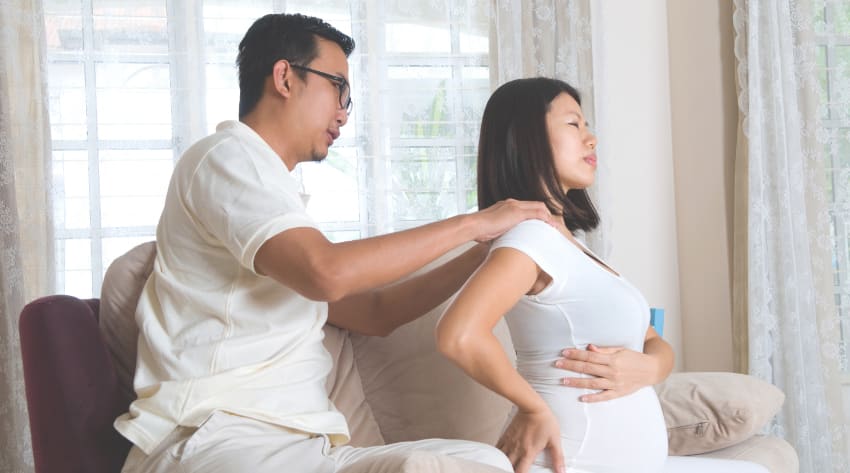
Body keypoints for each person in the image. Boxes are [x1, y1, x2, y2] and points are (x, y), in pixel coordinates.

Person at [115, 13, 550, 473]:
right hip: (214, 439)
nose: (344, 111)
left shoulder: (277, 206)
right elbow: (327, 272)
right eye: (337, 87)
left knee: (481, 461)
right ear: (285, 77)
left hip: (306, 450)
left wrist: (482, 253)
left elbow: (377, 312)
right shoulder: (225, 157)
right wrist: (473, 224)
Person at [436, 78, 771, 473]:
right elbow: (459, 335)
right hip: (574, 460)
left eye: (587, 126)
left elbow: (652, 340)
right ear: (527, 138)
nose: (591, 139)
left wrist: (652, 368)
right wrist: (532, 407)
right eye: (574, 125)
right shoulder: (529, 240)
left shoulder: (571, 246)